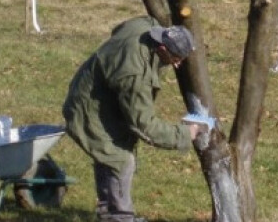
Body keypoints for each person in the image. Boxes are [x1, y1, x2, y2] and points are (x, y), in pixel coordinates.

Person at [62, 16, 202, 222]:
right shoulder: (135, 73)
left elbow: (120, 26)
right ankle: (119, 217)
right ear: (162, 48)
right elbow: (143, 124)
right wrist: (184, 134)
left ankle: (108, 212)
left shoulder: (146, 27)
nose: (178, 64)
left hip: (98, 92)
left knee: (111, 155)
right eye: (175, 59)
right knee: (119, 159)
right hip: (88, 109)